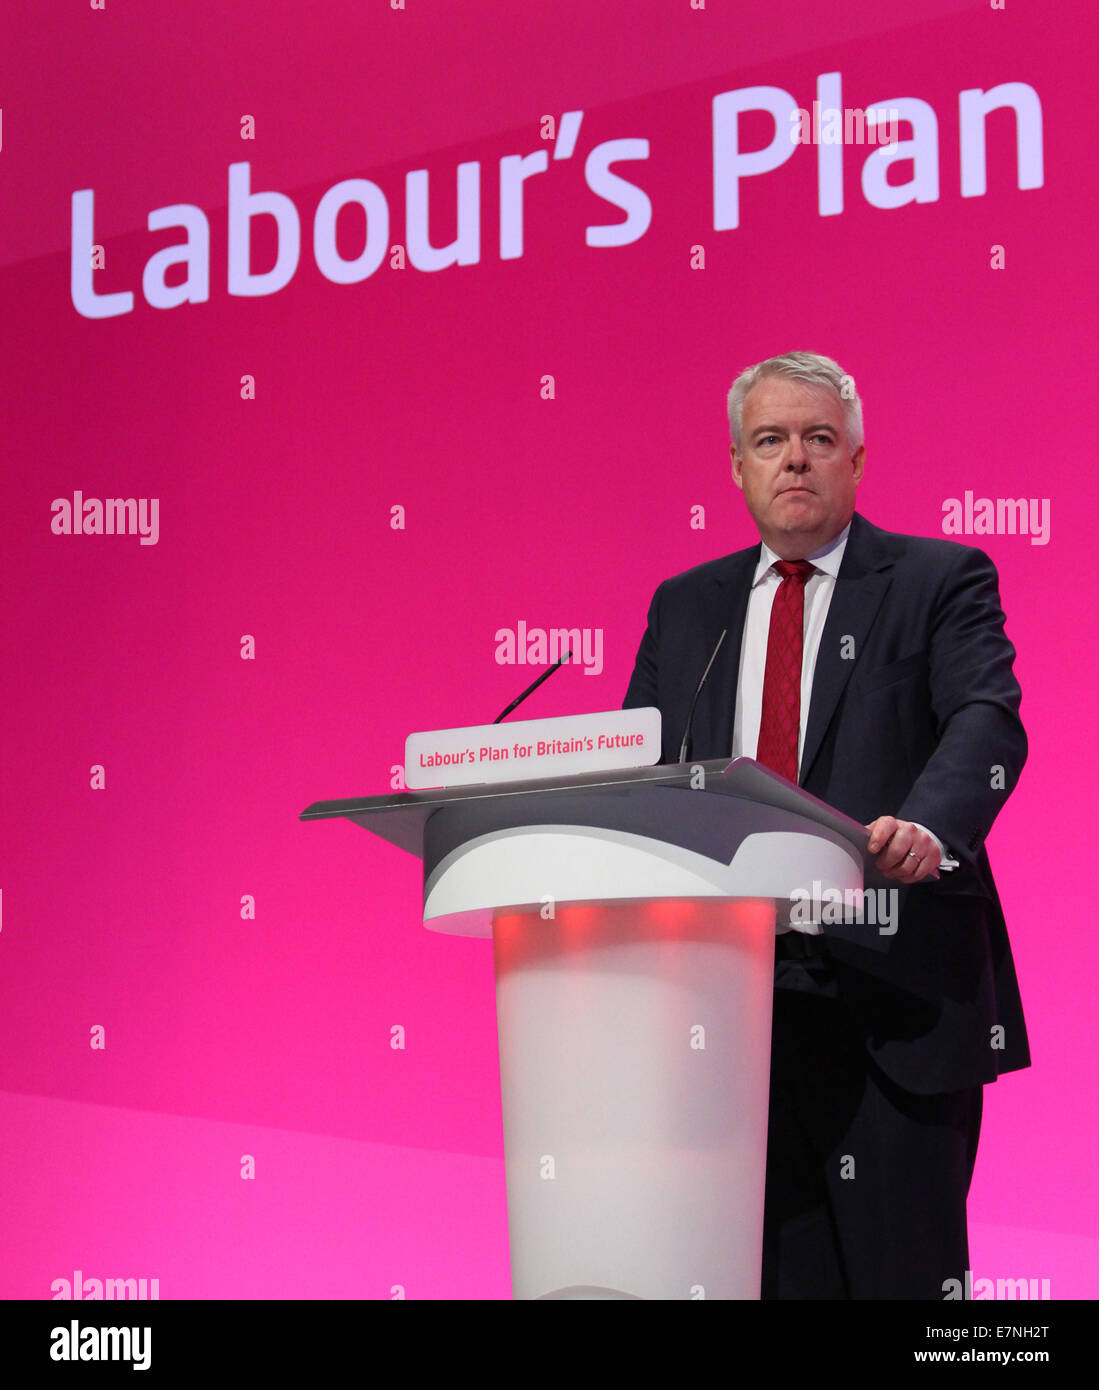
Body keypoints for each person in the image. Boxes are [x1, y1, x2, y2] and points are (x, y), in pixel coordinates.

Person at [623, 351, 1030, 1299]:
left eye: (817, 439)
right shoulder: (687, 608)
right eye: (770, 441)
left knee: (908, 1288)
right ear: (736, 465)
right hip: (728, 1003)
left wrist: (930, 827)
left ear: (856, 458)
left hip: (890, 984)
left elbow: (986, 717)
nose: (793, 460)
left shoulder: (938, 578)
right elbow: (640, 769)